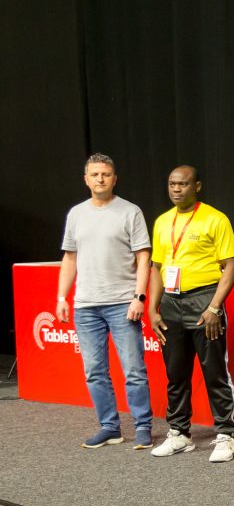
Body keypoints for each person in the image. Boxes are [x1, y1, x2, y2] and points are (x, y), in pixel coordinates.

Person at [58, 153, 154, 449]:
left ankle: (143, 426)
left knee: (133, 369)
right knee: (94, 371)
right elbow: (70, 257)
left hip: (122, 304)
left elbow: (144, 255)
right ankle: (110, 427)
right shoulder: (76, 214)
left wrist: (139, 297)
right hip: (85, 306)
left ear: (115, 179)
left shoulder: (130, 211)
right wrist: (62, 296)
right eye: (95, 174)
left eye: (106, 174)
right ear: (86, 179)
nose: (100, 179)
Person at [148, 166, 234, 462]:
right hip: (172, 304)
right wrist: (153, 307)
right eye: (172, 184)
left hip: (204, 299)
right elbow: (157, 268)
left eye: (183, 184)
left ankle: (226, 434)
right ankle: (179, 433)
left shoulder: (215, 218)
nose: (176, 189)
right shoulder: (162, 222)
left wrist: (214, 306)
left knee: (214, 370)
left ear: (197, 186)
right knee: (175, 373)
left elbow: (231, 264)